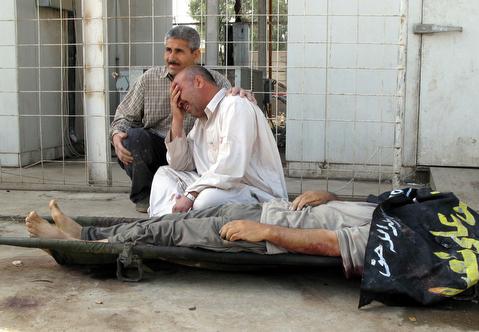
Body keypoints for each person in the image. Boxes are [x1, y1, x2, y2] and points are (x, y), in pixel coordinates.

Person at [25, 191, 375, 278]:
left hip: (268, 234)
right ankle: (85, 231)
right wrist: (329, 197)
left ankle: (78, 247)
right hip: (271, 209)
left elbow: (330, 245)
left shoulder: (394, 242)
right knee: (163, 221)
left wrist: (264, 230)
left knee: (165, 233)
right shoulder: (410, 210)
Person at [110, 26, 252, 213]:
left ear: (196, 55)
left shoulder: (214, 82)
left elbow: (229, 107)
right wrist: (116, 135)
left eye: (178, 51)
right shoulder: (149, 79)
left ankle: (186, 191)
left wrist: (239, 95)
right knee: (133, 138)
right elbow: (123, 117)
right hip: (156, 150)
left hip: (194, 157)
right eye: (168, 50)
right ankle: (145, 195)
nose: (171, 57)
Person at [148, 65, 288, 217]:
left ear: (198, 82)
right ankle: (167, 221)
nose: (176, 100)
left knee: (204, 201)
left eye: (178, 91)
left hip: (256, 193)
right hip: (218, 187)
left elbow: (230, 167)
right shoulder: (201, 122)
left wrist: (191, 194)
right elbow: (180, 164)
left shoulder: (235, 105)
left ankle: (177, 218)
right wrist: (177, 118)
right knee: (165, 173)